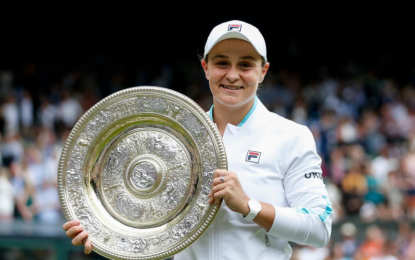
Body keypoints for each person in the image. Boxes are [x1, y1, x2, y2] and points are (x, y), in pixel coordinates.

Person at [63, 19, 333, 259]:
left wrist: (249, 206)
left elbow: (319, 227)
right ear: (205, 67)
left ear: (263, 71)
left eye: (246, 65)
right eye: (222, 62)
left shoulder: (291, 136)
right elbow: (149, 227)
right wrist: (103, 233)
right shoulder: (175, 135)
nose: (232, 74)